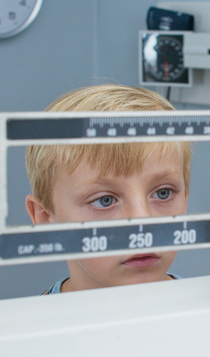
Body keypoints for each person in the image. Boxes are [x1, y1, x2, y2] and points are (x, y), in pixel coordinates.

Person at [24, 84, 191, 294]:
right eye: (105, 200)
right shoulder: (35, 325)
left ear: (184, 201)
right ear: (46, 218)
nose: (142, 224)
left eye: (162, 193)